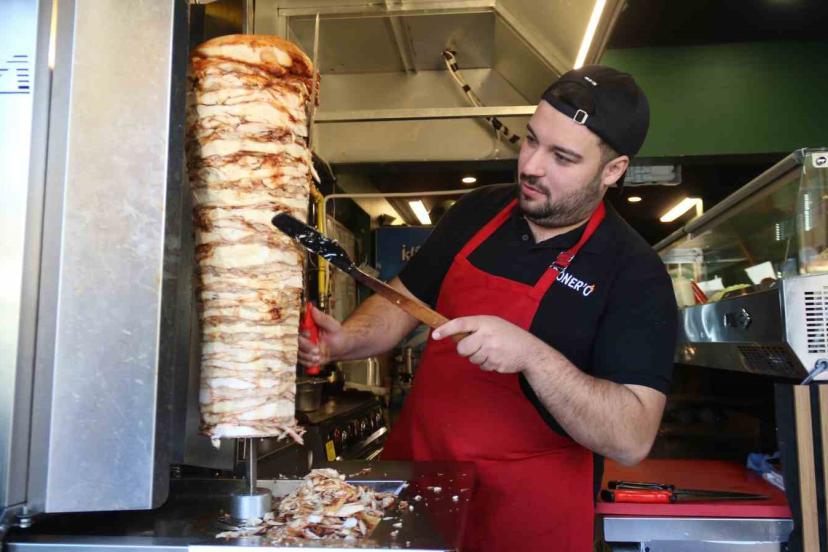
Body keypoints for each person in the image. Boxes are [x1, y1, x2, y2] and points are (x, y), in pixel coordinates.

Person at [299, 65, 678, 551]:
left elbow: (632, 437)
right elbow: (404, 302)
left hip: (527, 516)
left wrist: (533, 356)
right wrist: (345, 340)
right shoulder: (479, 210)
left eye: (562, 157)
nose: (532, 167)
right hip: (419, 486)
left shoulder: (634, 273)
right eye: (531, 140)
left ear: (613, 170)